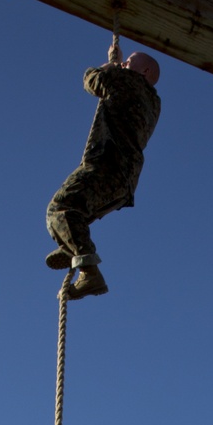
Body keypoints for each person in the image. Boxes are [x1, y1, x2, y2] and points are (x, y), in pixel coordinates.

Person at [45, 45, 161, 301]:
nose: (124, 64)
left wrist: (110, 64)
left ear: (145, 70)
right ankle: (72, 244)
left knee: (60, 209)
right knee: (79, 214)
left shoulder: (127, 80)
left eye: (129, 61)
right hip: (125, 181)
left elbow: (93, 80)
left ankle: (88, 270)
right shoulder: (154, 103)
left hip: (107, 165)